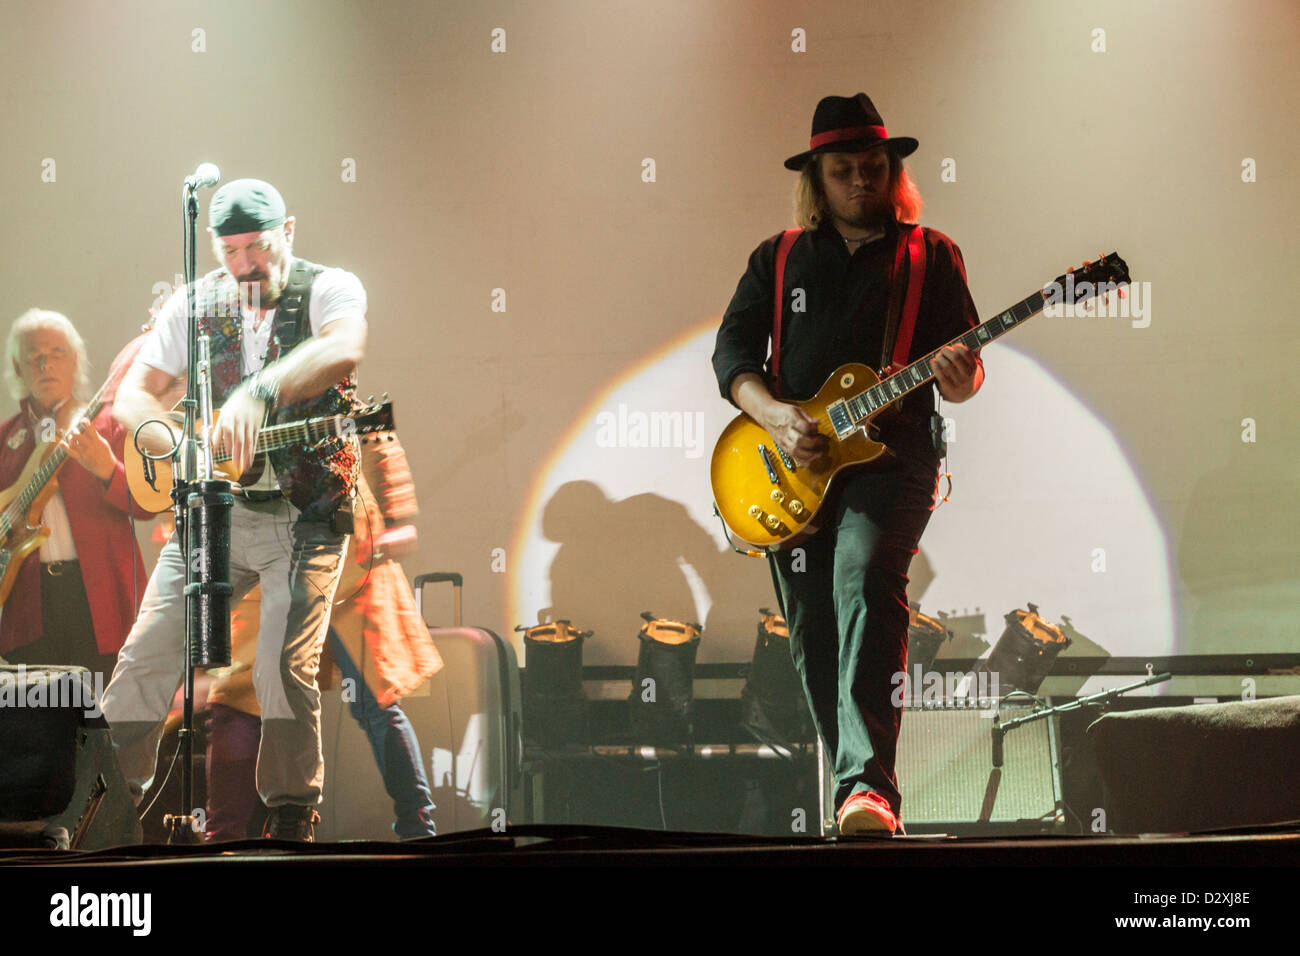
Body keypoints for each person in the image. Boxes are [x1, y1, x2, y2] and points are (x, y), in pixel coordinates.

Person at [711, 93, 984, 835]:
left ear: (892, 171)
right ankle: (855, 793)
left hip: (892, 461)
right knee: (813, 630)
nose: (862, 181)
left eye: (873, 167)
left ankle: (870, 789)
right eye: (844, 170)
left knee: (863, 580)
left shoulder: (932, 254)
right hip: (792, 464)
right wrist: (775, 415)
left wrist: (963, 378)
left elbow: (964, 368)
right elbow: (733, 356)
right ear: (818, 179)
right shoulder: (779, 258)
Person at [101, 178, 367, 841]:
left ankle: (289, 814)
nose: (245, 264)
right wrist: (168, 441)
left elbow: (343, 346)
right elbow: (135, 394)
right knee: (144, 660)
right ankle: (102, 803)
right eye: (231, 251)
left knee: (280, 664)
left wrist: (260, 392)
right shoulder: (196, 304)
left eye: (258, 246)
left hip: (305, 514)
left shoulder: (329, 287)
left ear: (290, 232)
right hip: (215, 512)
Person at [203, 430, 443, 841]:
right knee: (237, 704)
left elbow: (401, 526)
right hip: (275, 584)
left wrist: (374, 539)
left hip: (350, 585)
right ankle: (223, 837)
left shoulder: (361, 425)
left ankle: (418, 829)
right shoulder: (240, 421)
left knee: (376, 705)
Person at [0, 309, 148, 680]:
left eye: (56, 352)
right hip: (29, 607)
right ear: (18, 369)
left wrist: (106, 469)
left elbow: (147, 505)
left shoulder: (109, 422)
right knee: (41, 723)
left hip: (100, 599)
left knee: (102, 722)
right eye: (34, 356)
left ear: (75, 361)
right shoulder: (4, 439)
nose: (45, 364)